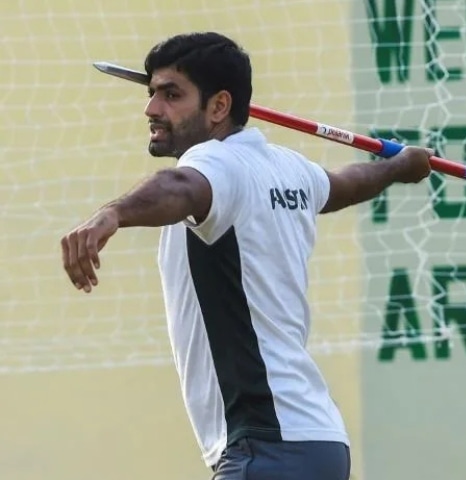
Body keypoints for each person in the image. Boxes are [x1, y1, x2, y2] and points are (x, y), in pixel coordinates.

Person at [60, 32, 432, 480]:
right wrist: (399, 166)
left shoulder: (216, 166)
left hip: (265, 445)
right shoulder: (289, 168)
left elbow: (182, 187)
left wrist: (113, 212)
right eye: (152, 92)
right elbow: (345, 184)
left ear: (219, 107)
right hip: (320, 443)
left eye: (172, 94)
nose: (152, 109)